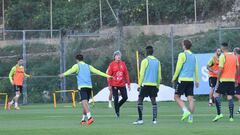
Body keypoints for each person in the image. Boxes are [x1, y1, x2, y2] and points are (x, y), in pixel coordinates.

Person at [59, 54, 112, 125]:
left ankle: (90, 117)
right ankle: (83, 119)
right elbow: (98, 71)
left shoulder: (77, 66)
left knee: (84, 102)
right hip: (89, 87)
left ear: (77, 60)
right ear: (83, 59)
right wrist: (109, 76)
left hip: (82, 86)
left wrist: (63, 74)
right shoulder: (88, 66)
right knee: (85, 103)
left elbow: (70, 71)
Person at [172, 39, 199, 123]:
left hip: (182, 80)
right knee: (190, 99)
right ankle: (191, 117)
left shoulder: (182, 55)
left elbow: (178, 68)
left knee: (176, 97)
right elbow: (196, 69)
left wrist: (174, 78)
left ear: (184, 46)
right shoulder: (194, 56)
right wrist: (197, 80)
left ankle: (185, 111)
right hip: (190, 80)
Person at [133, 46, 161, 125]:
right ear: (153, 52)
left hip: (145, 84)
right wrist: (157, 86)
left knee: (140, 100)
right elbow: (159, 76)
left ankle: (140, 119)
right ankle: (154, 120)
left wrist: (139, 85)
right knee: (153, 101)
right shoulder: (157, 61)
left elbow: (142, 74)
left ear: (146, 52)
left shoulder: (145, 61)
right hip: (154, 85)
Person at [212, 43, 239, 122]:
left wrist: (218, 80)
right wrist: (235, 78)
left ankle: (219, 113)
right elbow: (237, 68)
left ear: (222, 48)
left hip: (224, 80)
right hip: (231, 80)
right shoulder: (234, 56)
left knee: (215, 95)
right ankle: (231, 117)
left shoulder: (223, 56)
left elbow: (220, 69)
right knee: (230, 97)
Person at [107, 50, 130, 118]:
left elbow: (126, 74)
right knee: (116, 98)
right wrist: (109, 85)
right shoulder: (111, 64)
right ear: (114, 57)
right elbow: (109, 75)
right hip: (114, 84)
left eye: (119, 55)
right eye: (117, 55)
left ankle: (117, 106)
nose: (118, 56)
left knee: (125, 97)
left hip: (122, 84)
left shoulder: (123, 64)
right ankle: (117, 113)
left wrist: (128, 84)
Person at [233, 47, 240, 114]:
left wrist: (235, 80)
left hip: (238, 79)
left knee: (235, 93)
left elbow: (237, 70)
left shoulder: (236, 59)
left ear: (235, 52)